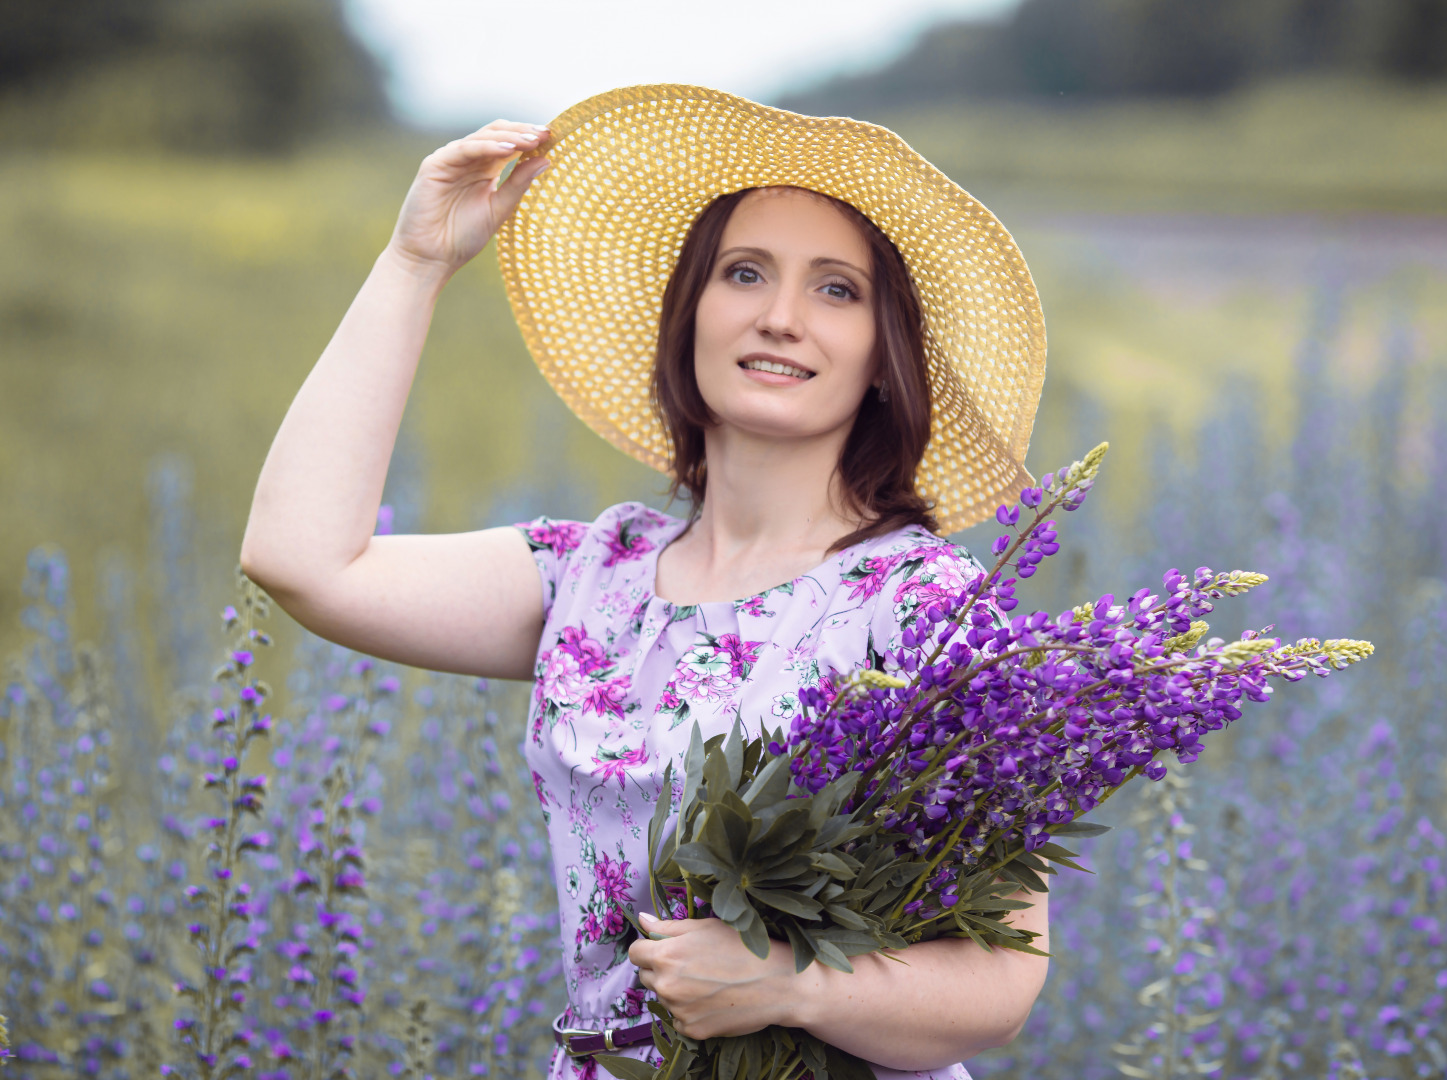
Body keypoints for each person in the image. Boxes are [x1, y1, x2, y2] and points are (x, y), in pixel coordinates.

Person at [241, 85, 1049, 1080]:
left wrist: (789, 985)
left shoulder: (929, 607)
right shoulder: (594, 579)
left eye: (836, 289)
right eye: (743, 273)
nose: (782, 317)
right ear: (689, 315)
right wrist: (415, 264)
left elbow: (998, 984)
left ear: (883, 355)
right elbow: (301, 559)